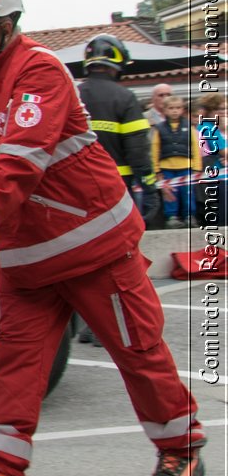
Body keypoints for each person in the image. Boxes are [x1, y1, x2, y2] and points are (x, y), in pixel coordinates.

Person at [0, 0, 205, 476]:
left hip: (93, 247)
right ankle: (0, 469)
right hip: (26, 255)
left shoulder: (39, 72)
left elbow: (19, 166)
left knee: (136, 351)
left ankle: (181, 447)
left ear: (6, 26)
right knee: (16, 362)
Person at [75, 34, 153, 342]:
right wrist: (150, 186)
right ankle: (111, 330)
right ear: (117, 62)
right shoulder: (124, 98)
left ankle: (86, 326)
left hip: (74, 192)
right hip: (115, 191)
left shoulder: (73, 94)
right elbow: (137, 149)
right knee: (116, 260)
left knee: (80, 259)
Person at [151, 94, 201, 228]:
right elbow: (155, 149)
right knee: (170, 194)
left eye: (178, 108)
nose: (174, 111)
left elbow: (195, 147)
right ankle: (171, 216)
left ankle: (189, 216)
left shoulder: (189, 127)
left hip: (186, 167)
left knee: (187, 192)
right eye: (171, 108)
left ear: (182, 110)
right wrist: (156, 170)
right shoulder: (159, 129)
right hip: (166, 168)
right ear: (165, 110)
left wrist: (197, 167)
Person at [196, 92, 225, 226]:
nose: (224, 112)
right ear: (209, 111)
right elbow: (225, 152)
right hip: (215, 179)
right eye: (220, 109)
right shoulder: (208, 128)